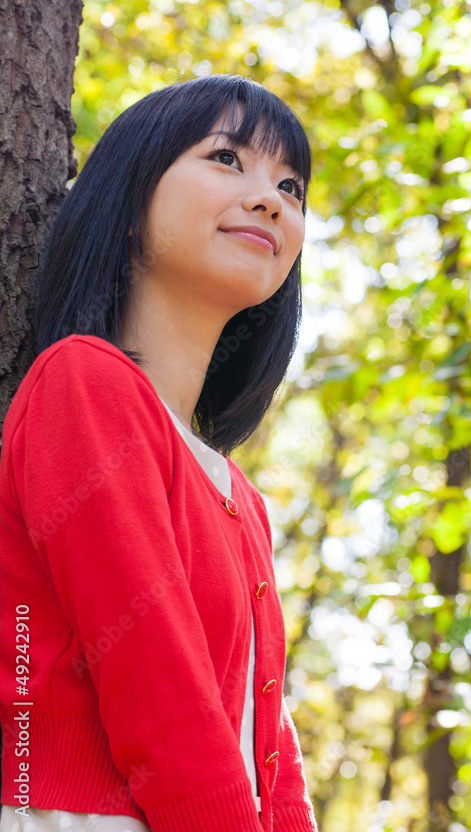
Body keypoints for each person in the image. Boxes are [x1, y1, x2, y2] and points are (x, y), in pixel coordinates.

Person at [0, 74, 319, 832]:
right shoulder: (83, 382)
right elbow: (157, 689)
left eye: (290, 184)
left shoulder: (239, 496)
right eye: (225, 158)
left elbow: (272, 752)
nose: (271, 198)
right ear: (131, 196)